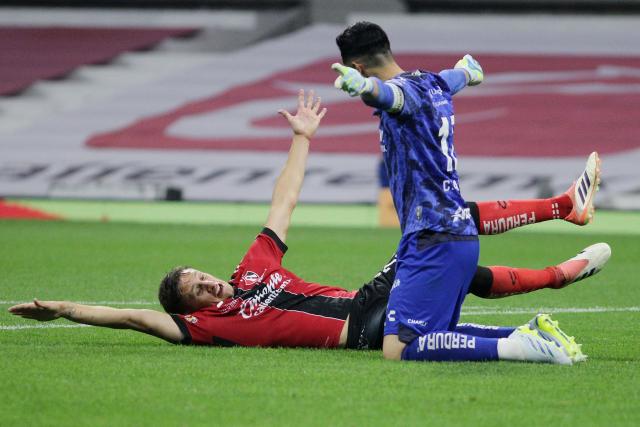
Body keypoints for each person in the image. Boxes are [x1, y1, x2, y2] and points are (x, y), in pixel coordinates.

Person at [9, 91, 608, 365]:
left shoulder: (250, 270)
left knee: (457, 265)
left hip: (369, 303)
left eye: (203, 277)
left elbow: (283, 204)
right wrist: (62, 307)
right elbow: (134, 317)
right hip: (360, 325)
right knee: (436, 231)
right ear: (189, 310)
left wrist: (300, 141)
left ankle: (558, 273)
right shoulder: (207, 328)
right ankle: (562, 211)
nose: (209, 286)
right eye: (195, 290)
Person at [331, 21, 602, 363]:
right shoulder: (433, 82)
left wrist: (365, 87)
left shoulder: (404, 93)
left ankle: (519, 347)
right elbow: (457, 75)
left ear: (357, 65)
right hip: (457, 234)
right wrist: (467, 71)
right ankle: (529, 334)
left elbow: (390, 96)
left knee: (400, 348)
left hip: (431, 236)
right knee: (436, 336)